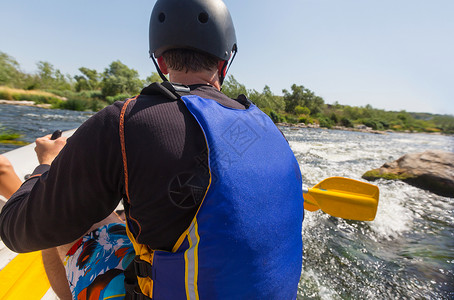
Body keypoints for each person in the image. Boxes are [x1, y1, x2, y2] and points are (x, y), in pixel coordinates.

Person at [0, 0, 304, 299]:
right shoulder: (270, 128)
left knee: (63, 222)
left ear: (160, 61)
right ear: (224, 62)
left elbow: (16, 230)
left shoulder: (124, 122)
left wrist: (47, 167)